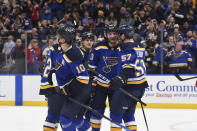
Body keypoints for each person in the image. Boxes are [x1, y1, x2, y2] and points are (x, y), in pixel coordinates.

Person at [41, 26, 92, 131]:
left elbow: (83, 78)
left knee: (65, 118)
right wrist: (53, 73)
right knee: (76, 118)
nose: (56, 38)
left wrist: (67, 89)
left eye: (58, 36)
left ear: (64, 39)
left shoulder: (73, 53)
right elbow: (60, 66)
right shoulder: (62, 50)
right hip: (74, 89)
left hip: (80, 90)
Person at [109, 25, 148, 131]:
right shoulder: (139, 46)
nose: (118, 37)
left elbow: (129, 67)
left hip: (127, 88)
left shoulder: (126, 48)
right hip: (140, 87)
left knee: (115, 116)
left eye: (119, 34)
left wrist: (121, 78)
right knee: (128, 115)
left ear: (123, 35)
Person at [88, 24, 120, 131]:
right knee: (97, 112)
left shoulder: (122, 47)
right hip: (100, 86)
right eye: (110, 34)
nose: (112, 36)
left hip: (117, 87)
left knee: (116, 113)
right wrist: (92, 84)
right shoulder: (98, 47)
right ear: (106, 35)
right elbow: (91, 68)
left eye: (114, 33)